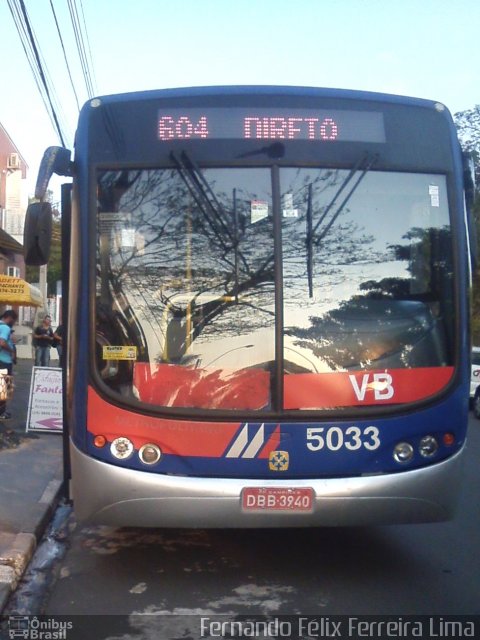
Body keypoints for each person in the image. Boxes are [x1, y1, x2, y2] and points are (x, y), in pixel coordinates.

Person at [0, 309, 18, 419]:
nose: (14, 322)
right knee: (4, 388)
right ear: (9, 318)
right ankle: (2, 412)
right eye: (14, 320)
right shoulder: (6, 328)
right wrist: (12, 350)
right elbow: (2, 342)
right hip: (5, 361)